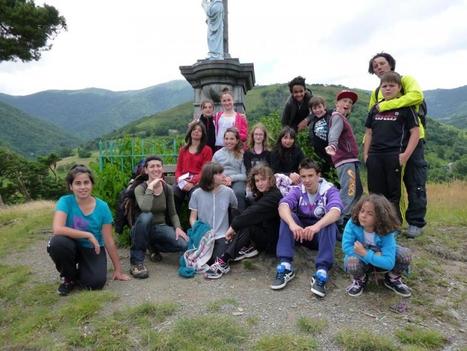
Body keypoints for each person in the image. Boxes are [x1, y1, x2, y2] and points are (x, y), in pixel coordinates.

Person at [368, 52, 427, 238]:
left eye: (382, 63)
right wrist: (367, 149)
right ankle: (388, 222)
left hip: (411, 139)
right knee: (387, 186)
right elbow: (372, 119)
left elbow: (417, 96)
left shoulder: (406, 79)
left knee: (414, 179)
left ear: (390, 64)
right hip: (385, 145)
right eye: (375, 65)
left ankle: (416, 222)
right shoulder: (377, 91)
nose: (379, 67)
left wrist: (388, 105)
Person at [47, 165, 130, 296]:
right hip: (70, 245)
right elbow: (57, 229)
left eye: (86, 182)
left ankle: (79, 273)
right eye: (77, 183)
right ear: (71, 186)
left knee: (95, 283)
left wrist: (118, 269)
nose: (83, 187)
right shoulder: (65, 201)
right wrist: (88, 234)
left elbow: (108, 240)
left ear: (92, 184)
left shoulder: (102, 207)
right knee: (57, 243)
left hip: (92, 248)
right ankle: (68, 278)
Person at [271, 159, 343, 298]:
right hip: (300, 234)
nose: (307, 180)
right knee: (288, 216)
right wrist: (292, 224)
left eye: (310, 175)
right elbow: (283, 206)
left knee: (329, 222)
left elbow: (336, 211)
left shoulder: (329, 190)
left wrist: (317, 226)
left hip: (318, 236)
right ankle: (285, 266)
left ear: (318, 175)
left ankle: (322, 272)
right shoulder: (297, 190)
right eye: (303, 176)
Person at [204, 165, 283, 279]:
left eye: (263, 180)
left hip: (272, 243)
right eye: (257, 180)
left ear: (270, 180)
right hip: (263, 234)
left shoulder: (274, 196)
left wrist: (233, 227)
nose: (260, 183)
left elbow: (253, 212)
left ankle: (224, 261)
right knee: (237, 213)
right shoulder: (263, 194)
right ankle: (247, 246)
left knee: (247, 223)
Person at [363, 72, 420, 221]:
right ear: (380, 88)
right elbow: (368, 132)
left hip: (394, 154)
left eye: (392, 86)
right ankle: (376, 222)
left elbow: (415, 132)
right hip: (374, 155)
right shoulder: (376, 108)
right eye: (384, 86)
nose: (388, 89)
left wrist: (405, 155)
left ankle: (394, 224)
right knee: (374, 192)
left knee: (393, 193)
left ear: (399, 87)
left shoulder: (406, 108)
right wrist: (366, 155)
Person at [130, 156, 188, 279]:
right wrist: (150, 188)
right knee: (147, 216)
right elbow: (145, 208)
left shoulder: (167, 188)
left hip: (160, 227)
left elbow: (173, 213)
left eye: (158, 166)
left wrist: (178, 227)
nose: (155, 169)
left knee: (184, 244)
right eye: (152, 166)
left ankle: (153, 247)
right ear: (146, 170)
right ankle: (137, 262)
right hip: (141, 229)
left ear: (162, 169)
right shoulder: (140, 188)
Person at [342, 194, 412, 297]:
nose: (363, 215)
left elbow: (389, 263)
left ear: (380, 217)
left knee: (405, 254)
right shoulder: (353, 223)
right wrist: (368, 255)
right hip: (365, 260)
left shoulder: (386, 232)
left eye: (370, 213)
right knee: (351, 260)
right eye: (362, 211)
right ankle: (360, 279)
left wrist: (365, 252)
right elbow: (346, 247)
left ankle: (392, 278)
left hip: (379, 263)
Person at [189, 162, 238, 272]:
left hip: (222, 235)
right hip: (204, 236)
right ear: (210, 176)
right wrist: (198, 230)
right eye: (219, 173)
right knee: (201, 259)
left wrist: (232, 230)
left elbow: (235, 210)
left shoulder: (228, 192)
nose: (223, 176)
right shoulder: (197, 193)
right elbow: (192, 217)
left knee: (215, 260)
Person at [325, 90, 363, 226]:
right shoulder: (337, 117)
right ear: (337, 104)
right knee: (349, 192)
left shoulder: (343, 118)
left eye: (350, 102)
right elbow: (333, 134)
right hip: (345, 161)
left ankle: (348, 220)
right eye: (344, 101)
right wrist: (332, 146)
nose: (347, 104)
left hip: (351, 161)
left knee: (357, 191)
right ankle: (336, 222)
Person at [173, 121, 213, 215]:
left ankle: (195, 226)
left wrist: (192, 182)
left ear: (202, 134)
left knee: (196, 195)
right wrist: (180, 181)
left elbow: (205, 171)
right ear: (190, 132)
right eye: (194, 129)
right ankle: (175, 226)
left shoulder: (207, 150)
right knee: (173, 194)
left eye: (199, 130)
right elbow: (178, 169)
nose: (196, 132)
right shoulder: (183, 150)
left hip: (198, 182)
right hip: (182, 182)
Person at [213, 127, 247, 211]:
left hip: (237, 181)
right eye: (226, 139)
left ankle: (238, 222)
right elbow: (212, 172)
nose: (229, 141)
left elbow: (245, 175)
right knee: (218, 192)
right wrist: (221, 179)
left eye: (232, 139)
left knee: (238, 192)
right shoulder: (217, 154)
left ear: (237, 140)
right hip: (221, 180)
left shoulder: (242, 154)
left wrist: (231, 178)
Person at [306, 95, 333, 175]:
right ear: (311, 110)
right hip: (319, 156)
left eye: (319, 107)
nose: (317, 110)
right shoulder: (312, 120)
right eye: (314, 108)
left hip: (332, 155)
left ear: (324, 106)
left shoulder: (331, 116)